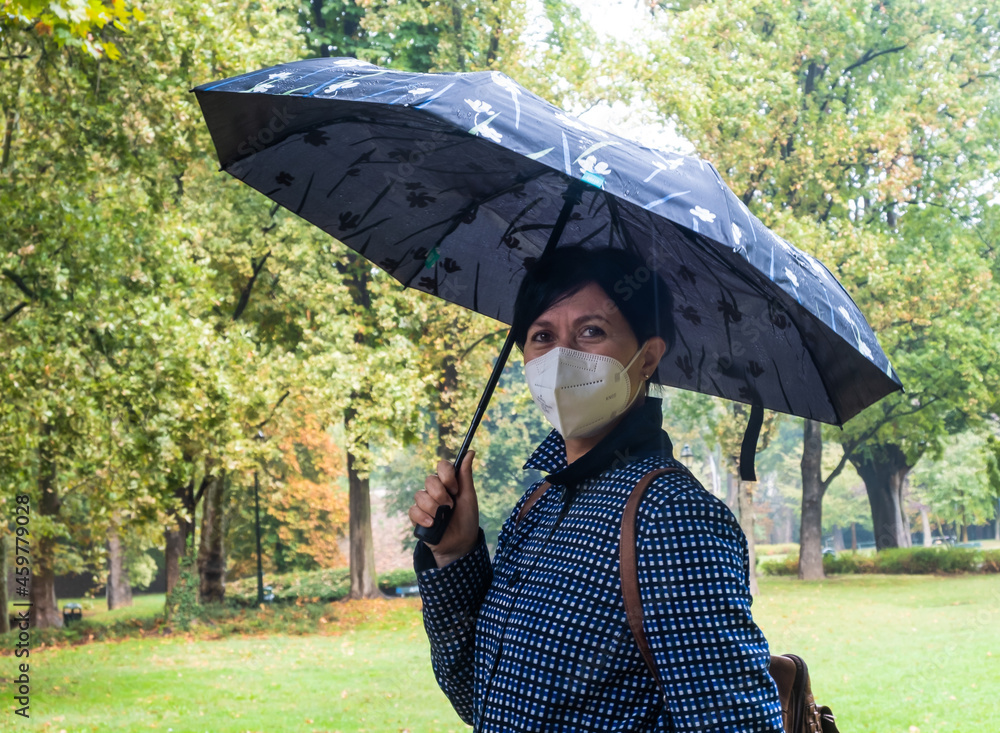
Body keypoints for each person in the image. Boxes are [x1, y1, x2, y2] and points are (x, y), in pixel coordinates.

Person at [408, 246, 783, 732]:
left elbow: (736, 725)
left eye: (591, 331)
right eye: (542, 336)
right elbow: (480, 701)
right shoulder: (538, 506)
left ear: (648, 358)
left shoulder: (671, 517)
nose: (561, 357)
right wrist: (454, 555)